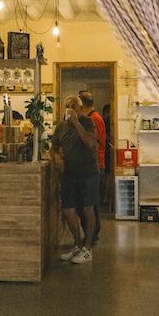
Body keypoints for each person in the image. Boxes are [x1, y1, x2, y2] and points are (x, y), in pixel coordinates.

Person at [50, 95, 99, 264]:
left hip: (88, 173)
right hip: (69, 173)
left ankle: (88, 248)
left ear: (80, 109)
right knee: (68, 210)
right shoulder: (61, 127)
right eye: (68, 107)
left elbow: (91, 143)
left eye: (74, 107)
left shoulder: (87, 122)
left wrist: (76, 122)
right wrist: (56, 156)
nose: (70, 110)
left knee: (87, 209)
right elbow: (53, 147)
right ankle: (78, 244)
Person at [78, 91, 106, 243]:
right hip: (94, 164)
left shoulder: (93, 119)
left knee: (90, 204)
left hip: (95, 164)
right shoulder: (95, 117)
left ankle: (92, 235)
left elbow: (93, 143)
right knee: (90, 204)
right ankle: (91, 234)